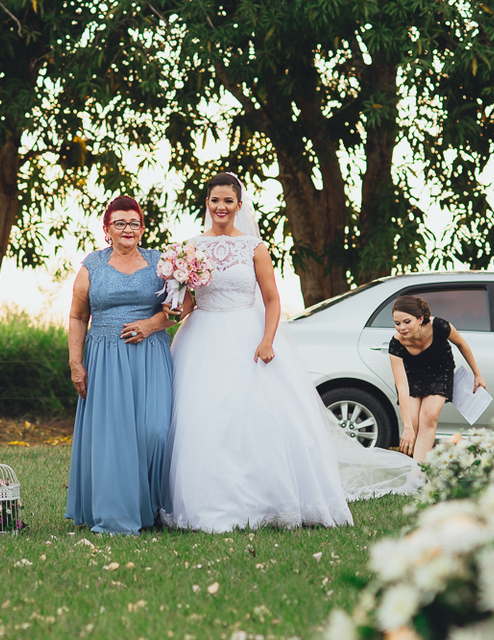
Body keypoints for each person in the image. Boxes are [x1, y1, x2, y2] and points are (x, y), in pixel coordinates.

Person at [162, 173, 417, 533]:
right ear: (207, 203)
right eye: (215, 200)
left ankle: (262, 499)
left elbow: (271, 299)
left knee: (252, 417)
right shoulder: (191, 248)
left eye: (228, 201)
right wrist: (170, 310)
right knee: (202, 417)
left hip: (247, 335)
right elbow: (188, 302)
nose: (221, 207)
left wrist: (267, 340)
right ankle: (207, 503)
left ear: (238, 205)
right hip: (201, 338)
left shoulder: (254, 247)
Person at [65, 196, 173, 534]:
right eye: (120, 223)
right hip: (105, 358)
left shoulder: (160, 263)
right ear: (107, 229)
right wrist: (75, 363)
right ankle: (116, 514)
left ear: (143, 228)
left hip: (150, 355)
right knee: (114, 438)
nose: (128, 229)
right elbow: (77, 316)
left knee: (155, 431)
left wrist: (150, 325)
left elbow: (179, 308)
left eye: (134, 223)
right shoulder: (92, 266)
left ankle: (152, 509)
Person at [388, 295, 487, 462]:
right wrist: (408, 428)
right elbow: (402, 387)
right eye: (397, 323)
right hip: (413, 375)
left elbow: (461, 344)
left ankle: (417, 470)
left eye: (407, 321)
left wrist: (477, 374)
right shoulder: (396, 344)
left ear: (420, 319)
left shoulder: (440, 326)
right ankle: (413, 463)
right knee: (412, 421)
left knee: (429, 416)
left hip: (440, 370)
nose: (401, 328)